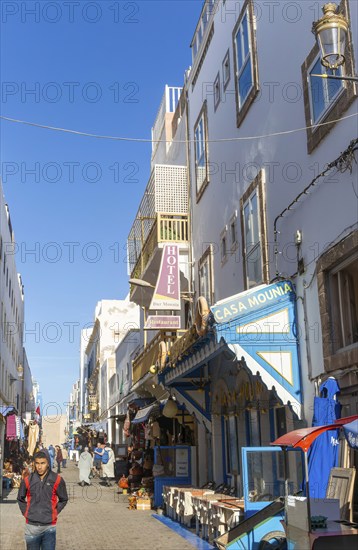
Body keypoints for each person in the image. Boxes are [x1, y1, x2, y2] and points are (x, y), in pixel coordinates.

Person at [17, 448, 68, 550]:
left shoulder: (57, 479)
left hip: (49, 527)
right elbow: (20, 498)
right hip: (31, 528)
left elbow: (64, 499)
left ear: (48, 463)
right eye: (37, 463)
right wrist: (26, 512)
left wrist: (54, 512)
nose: (39, 466)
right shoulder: (27, 480)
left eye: (43, 463)